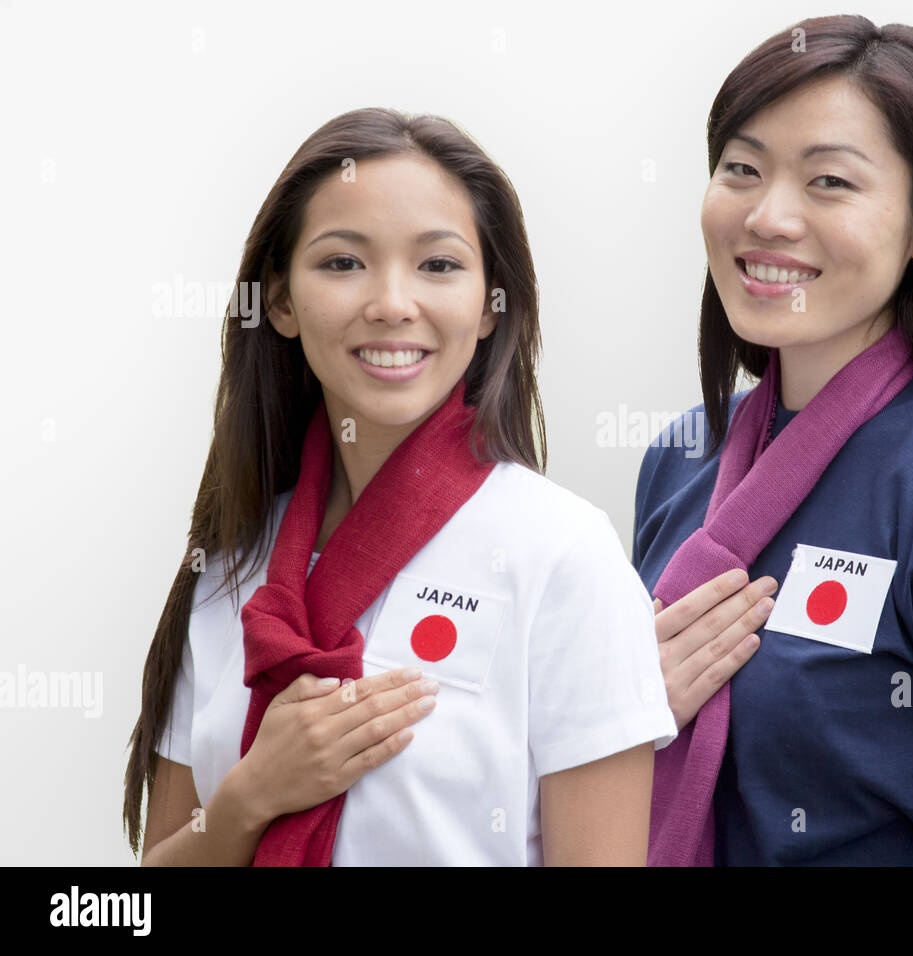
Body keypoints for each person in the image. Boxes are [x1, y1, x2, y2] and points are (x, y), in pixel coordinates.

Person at [123, 107, 677, 866]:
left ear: (491, 306)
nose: (391, 303)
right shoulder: (231, 563)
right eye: (343, 263)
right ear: (280, 301)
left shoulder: (563, 555)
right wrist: (254, 795)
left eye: (438, 265)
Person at [634, 15, 913, 866]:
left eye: (829, 181)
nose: (768, 216)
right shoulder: (679, 460)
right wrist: (623, 707)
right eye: (741, 168)